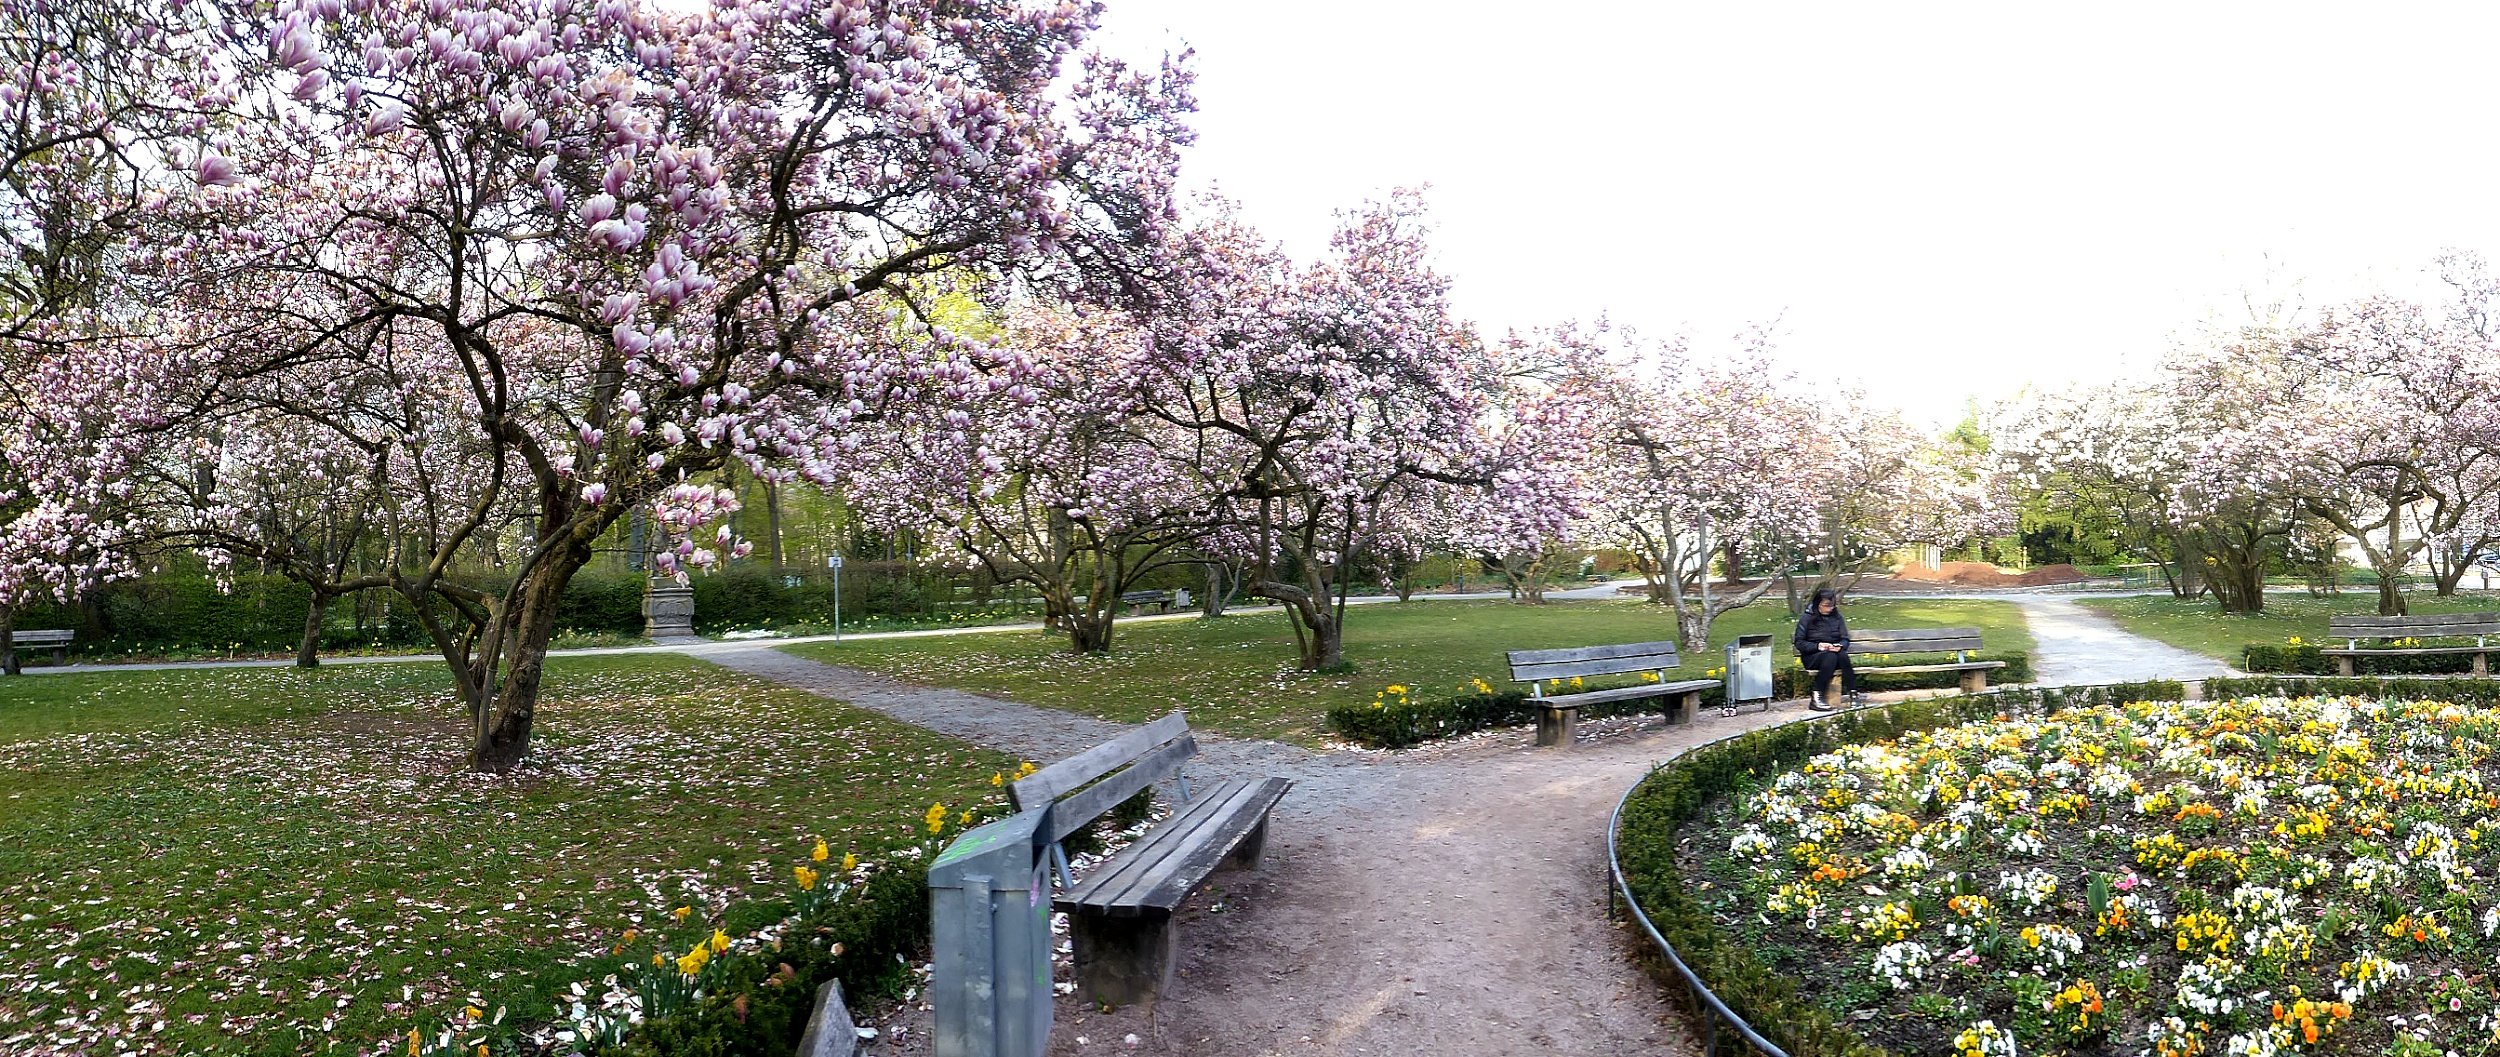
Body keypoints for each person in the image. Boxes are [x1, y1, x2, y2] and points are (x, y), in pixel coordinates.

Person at [1793, 586, 1861, 711]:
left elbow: (1845, 638)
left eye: (1832, 606)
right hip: (1812, 656)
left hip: (1833, 653)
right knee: (1830, 656)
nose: (1829, 609)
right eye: (1826, 606)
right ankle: (1817, 696)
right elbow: (1799, 642)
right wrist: (1818, 646)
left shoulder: (1837, 617)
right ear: (1818, 603)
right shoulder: (1807, 618)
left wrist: (1840, 645)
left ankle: (1853, 693)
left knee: (1841, 655)